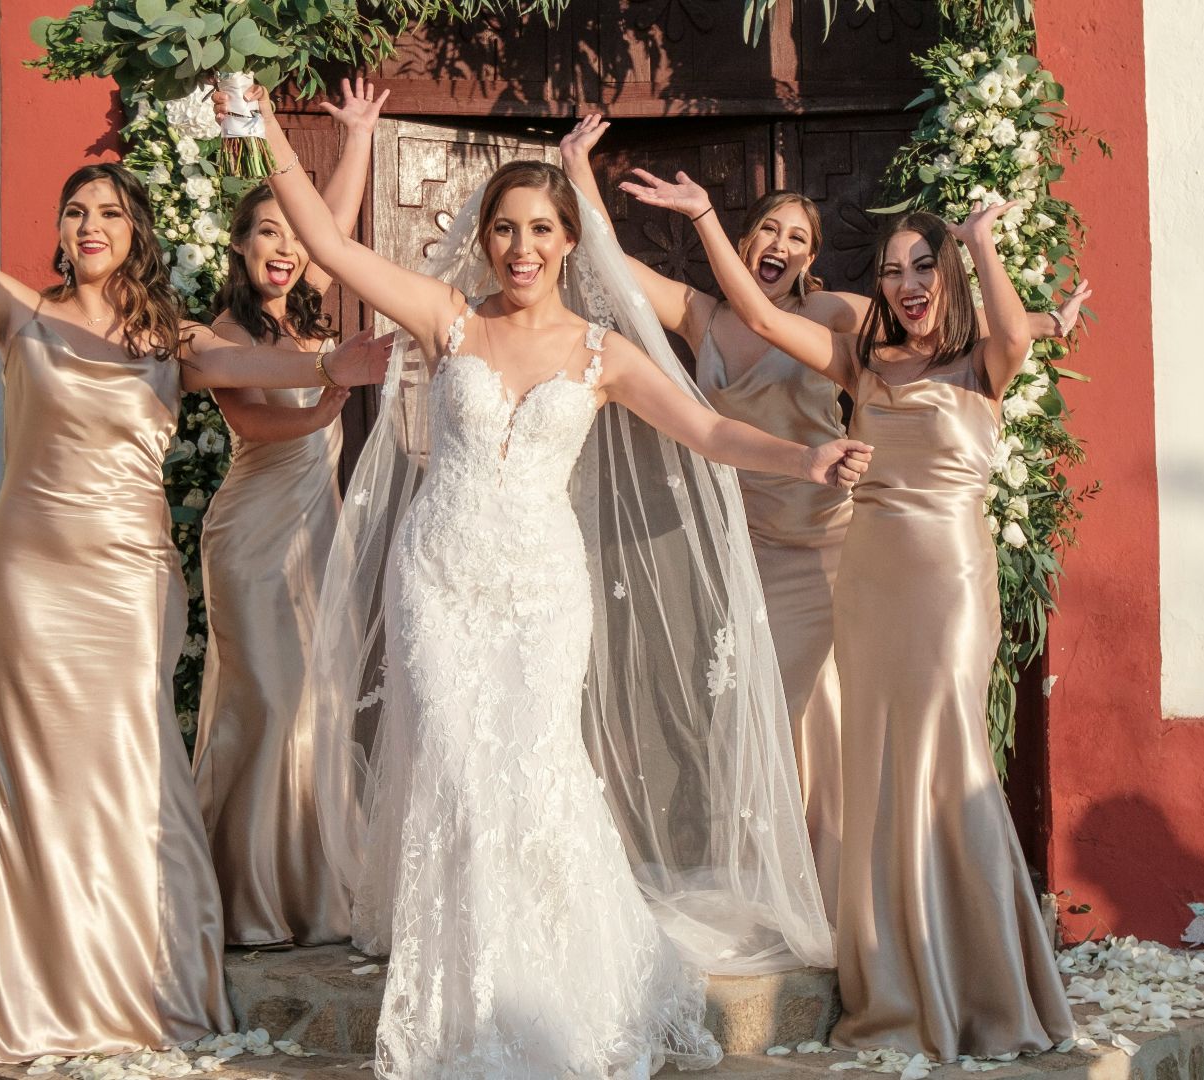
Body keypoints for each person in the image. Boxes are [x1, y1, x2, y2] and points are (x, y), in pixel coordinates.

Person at [229, 81, 861, 1078]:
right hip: (440, 574)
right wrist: (263, 120)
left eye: (539, 228)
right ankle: (476, 993)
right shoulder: (446, 321)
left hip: (540, 588)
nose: (521, 246)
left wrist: (807, 461)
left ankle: (563, 981)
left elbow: (707, 431)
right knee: (463, 774)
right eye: (504, 230)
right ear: (483, 241)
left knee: (537, 765)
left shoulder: (602, 352)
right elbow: (333, 245)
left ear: (569, 239)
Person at [0, 41, 389, 1061]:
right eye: (76, 212)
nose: (90, 224)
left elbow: (267, 359)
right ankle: (44, 993)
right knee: (40, 784)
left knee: (133, 772)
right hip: (30, 582)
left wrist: (340, 360)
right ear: (61, 235)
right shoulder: (20, 319)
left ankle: (142, 983)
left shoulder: (175, 342)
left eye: (109, 211)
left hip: (132, 585)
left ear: (136, 232)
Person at [562, 115, 1089, 908]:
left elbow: (948, 332)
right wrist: (575, 173)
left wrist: (1044, 323)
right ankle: (784, 879)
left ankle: (844, 879)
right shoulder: (702, 318)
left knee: (826, 714)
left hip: (834, 541)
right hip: (751, 545)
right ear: (745, 243)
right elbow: (611, 266)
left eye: (800, 238)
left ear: (814, 260)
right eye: (769, 229)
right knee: (761, 712)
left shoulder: (840, 316)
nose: (783, 245)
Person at [622, 164, 1077, 1058]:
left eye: (923, 268)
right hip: (865, 583)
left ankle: (979, 979)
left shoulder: (987, 359)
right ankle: (897, 973)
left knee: (950, 755)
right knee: (876, 765)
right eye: (894, 271)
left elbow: (1018, 326)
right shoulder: (863, 357)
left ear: (947, 277)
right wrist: (710, 216)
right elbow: (756, 317)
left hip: (947, 586)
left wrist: (982, 245)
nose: (907, 286)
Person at [191, 77, 388, 949]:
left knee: (312, 705)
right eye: (264, 231)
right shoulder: (225, 334)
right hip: (250, 537)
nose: (284, 246)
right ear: (238, 247)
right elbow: (257, 421)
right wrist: (328, 395)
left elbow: (328, 228)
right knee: (265, 703)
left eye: (288, 234)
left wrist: (358, 137)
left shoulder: (302, 318)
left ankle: (305, 893)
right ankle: (240, 898)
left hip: (314, 533)